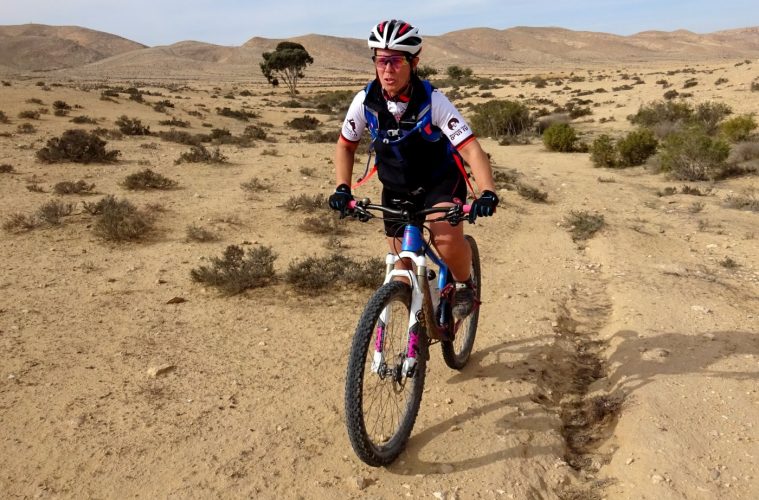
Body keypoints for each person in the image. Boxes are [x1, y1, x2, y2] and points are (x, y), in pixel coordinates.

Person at [328, 19, 498, 319]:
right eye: (381, 61)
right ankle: (417, 327)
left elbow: (471, 148)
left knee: (445, 240)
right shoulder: (365, 101)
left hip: (439, 182)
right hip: (396, 187)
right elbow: (345, 146)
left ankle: (464, 283)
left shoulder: (433, 101)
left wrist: (487, 192)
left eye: (395, 61)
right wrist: (342, 188)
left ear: (414, 63)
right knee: (401, 268)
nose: (387, 70)